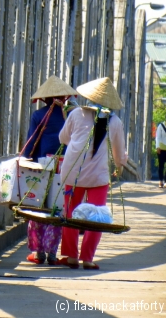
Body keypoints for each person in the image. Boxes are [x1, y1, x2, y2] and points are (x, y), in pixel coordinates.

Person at [57, 77, 128, 270]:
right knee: (97, 216)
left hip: (73, 173)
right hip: (98, 176)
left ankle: (71, 256)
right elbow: (119, 153)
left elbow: (63, 139)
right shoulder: (114, 122)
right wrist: (120, 166)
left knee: (70, 213)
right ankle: (87, 258)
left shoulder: (76, 114)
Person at [23, 76, 78, 266]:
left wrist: (26, 159)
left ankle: (38, 252)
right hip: (63, 164)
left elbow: (32, 140)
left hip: (42, 164)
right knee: (57, 207)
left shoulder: (39, 115)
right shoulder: (70, 115)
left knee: (38, 206)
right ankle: (52, 252)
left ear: (45, 98)